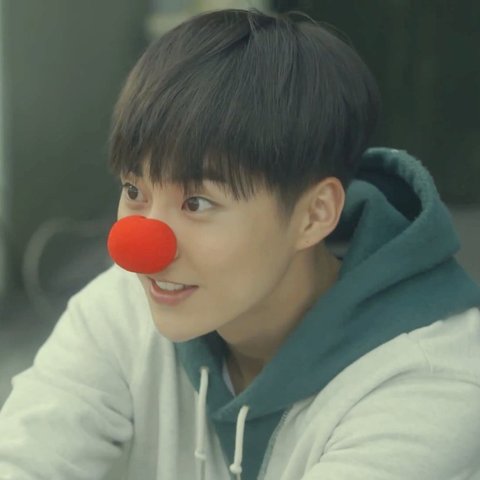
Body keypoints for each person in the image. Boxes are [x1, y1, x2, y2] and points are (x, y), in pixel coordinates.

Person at [1, 8, 480, 480]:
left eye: (196, 203)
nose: (143, 248)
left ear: (314, 215)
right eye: (134, 191)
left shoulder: (428, 384)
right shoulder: (124, 307)